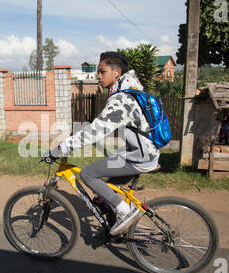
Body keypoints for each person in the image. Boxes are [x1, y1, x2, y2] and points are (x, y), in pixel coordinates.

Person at [44, 51, 160, 236]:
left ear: (116, 73)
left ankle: (125, 211)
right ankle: (117, 232)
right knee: (104, 195)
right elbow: (100, 126)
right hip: (142, 152)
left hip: (140, 156)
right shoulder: (130, 92)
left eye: (102, 71)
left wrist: (62, 147)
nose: (98, 76)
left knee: (88, 174)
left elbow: (97, 131)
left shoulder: (122, 99)